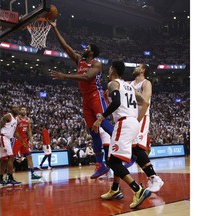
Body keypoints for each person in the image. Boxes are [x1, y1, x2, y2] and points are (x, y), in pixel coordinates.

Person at [49, 19, 114, 179]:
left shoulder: (96, 64)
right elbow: (65, 46)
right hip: (85, 99)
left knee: (105, 125)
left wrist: (64, 76)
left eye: (87, 48)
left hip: (96, 95)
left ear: (92, 52)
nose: (84, 49)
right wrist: (54, 28)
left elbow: (86, 77)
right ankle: (101, 165)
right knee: (93, 132)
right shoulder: (79, 60)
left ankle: (130, 149)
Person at [92, 61, 151, 209]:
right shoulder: (130, 86)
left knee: (112, 161)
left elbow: (116, 102)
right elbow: (145, 102)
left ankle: (138, 189)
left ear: (112, 70)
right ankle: (115, 188)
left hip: (124, 123)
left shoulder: (113, 84)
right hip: (134, 123)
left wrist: (101, 118)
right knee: (116, 159)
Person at [124, 63, 164, 193]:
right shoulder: (129, 84)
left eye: (138, 67)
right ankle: (151, 176)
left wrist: (137, 120)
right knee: (137, 149)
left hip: (141, 117)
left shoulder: (146, 83)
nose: (135, 68)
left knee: (137, 148)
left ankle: (154, 178)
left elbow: (145, 102)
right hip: (131, 118)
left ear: (143, 70)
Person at [12, 107, 42, 180]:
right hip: (17, 139)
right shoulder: (17, 119)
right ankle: (8, 175)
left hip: (24, 140)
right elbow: (14, 131)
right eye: (22, 109)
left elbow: (29, 130)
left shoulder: (28, 119)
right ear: (20, 111)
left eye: (25, 110)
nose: (24, 111)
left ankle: (33, 173)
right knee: (12, 158)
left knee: (29, 156)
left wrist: (31, 140)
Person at [0, 104, 24, 185]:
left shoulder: (16, 120)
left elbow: (16, 133)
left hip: (8, 139)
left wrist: (22, 141)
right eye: (14, 107)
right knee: (11, 157)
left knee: (4, 160)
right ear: (11, 109)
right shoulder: (8, 116)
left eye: (17, 107)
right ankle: (10, 178)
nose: (16, 109)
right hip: (3, 137)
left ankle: (0, 180)